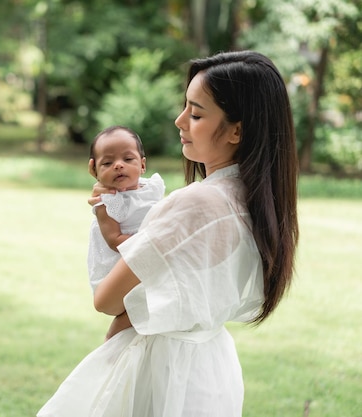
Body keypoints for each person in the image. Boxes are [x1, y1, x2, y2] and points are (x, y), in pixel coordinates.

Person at [37, 50, 299, 417]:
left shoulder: (195, 204)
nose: (179, 121)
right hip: (212, 367)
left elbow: (108, 301)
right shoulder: (258, 202)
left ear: (236, 130)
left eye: (195, 113)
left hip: (163, 368)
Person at [87, 126, 166, 340]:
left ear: (142, 165)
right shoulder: (106, 202)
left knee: (150, 304)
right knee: (134, 306)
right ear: (94, 170)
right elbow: (114, 240)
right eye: (107, 163)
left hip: (145, 258)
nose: (118, 165)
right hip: (118, 263)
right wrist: (152, 243)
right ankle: (110, 342)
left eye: (128, 159)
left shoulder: (152, 188)